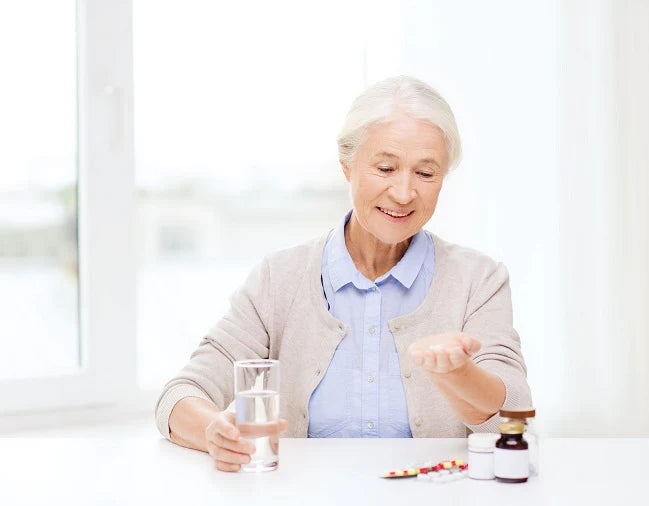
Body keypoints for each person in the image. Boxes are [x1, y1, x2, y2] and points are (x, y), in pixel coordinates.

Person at [155, 76, 532, 472]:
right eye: (385, 167)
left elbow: (516, 409)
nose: (403, 193)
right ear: (347, 166)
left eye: (425, 174)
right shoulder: (278, 279)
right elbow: (180, 395)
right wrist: (214, 431)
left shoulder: (479, 280)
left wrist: (460, 375)